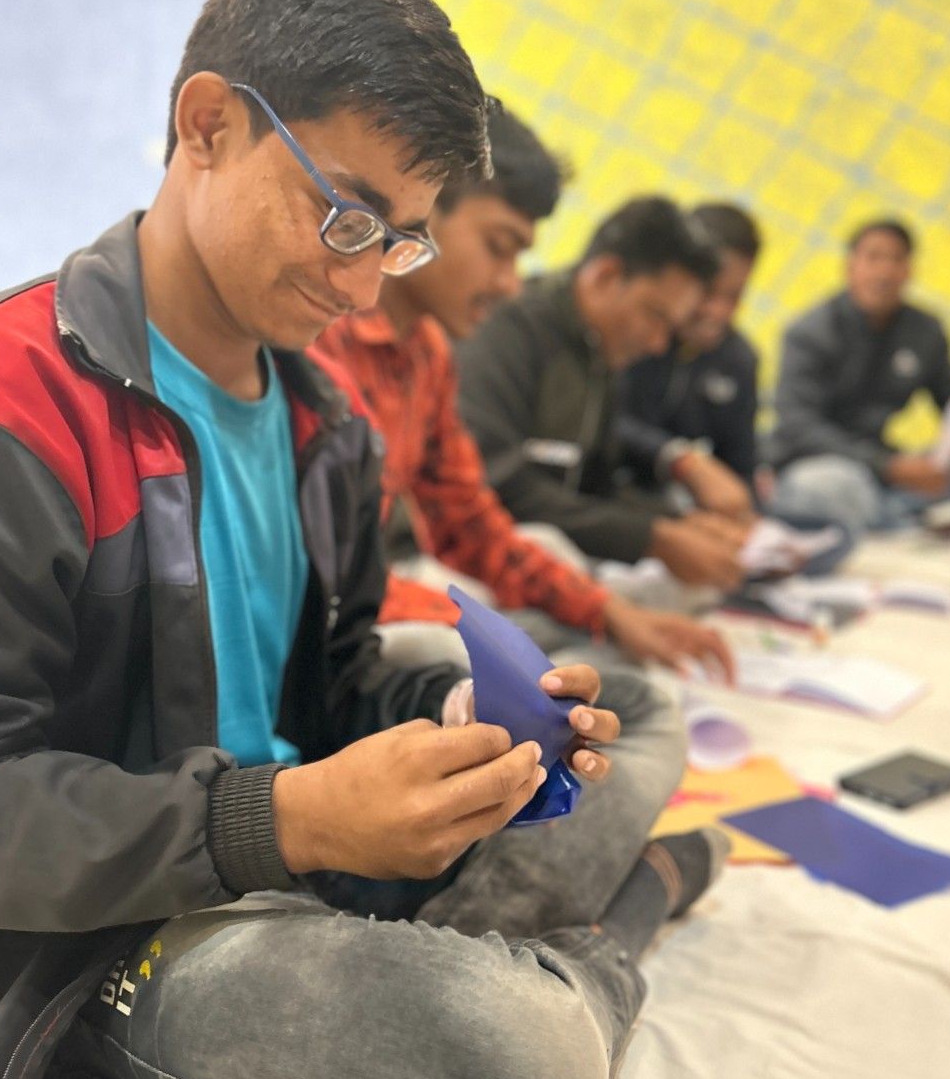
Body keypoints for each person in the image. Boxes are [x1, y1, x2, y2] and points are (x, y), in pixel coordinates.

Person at [0, 0, 726, 1079]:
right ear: (207, 126)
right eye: (345, 217)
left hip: (293, 856)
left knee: (635, 708)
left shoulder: (323, 420)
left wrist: (455, 714)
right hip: (82, 945)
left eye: (401, 238)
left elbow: (333, 674)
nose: (366, 284)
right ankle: (598, 941)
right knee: (512, 1056)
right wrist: (288, 819)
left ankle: (417, 1018)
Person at [314, 104, 734, 679]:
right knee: (457, 656)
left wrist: (607, 612)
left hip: (390, 601)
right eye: (499, 247)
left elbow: (470, 523)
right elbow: (321, 585)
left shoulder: (427, 352)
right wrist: (494, 639)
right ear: (420, 207)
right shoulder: (321, 337)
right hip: (326, 638)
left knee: (613, 678)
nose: (511, 283)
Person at [455, 195, 749, 592]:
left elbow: (595, 485)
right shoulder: (508, 330)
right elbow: (498, 482)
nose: (658, 343)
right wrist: (653, 538)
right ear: (606, 276)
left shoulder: (598, 354)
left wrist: (683, 525)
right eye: (655, 316)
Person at [769, 218, 950, 539]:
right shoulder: (810, 333)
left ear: (909, 270)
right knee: (827, 486)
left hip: (894, 471)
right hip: (829, 464)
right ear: (850, 266)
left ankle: (894, 515)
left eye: (896, 260)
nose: (884, 272)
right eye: (873, 258)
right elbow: (798, 427)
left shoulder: (923, 330)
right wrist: (887, 466)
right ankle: (901, 519)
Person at [617, 202, 761, 516]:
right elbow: (605, 424)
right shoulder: (631, 330)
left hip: (681, 506)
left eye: (734, 296)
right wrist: (679, 460)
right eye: (708, 292)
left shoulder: (738, 359)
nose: (718, 311)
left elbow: (740, 468)